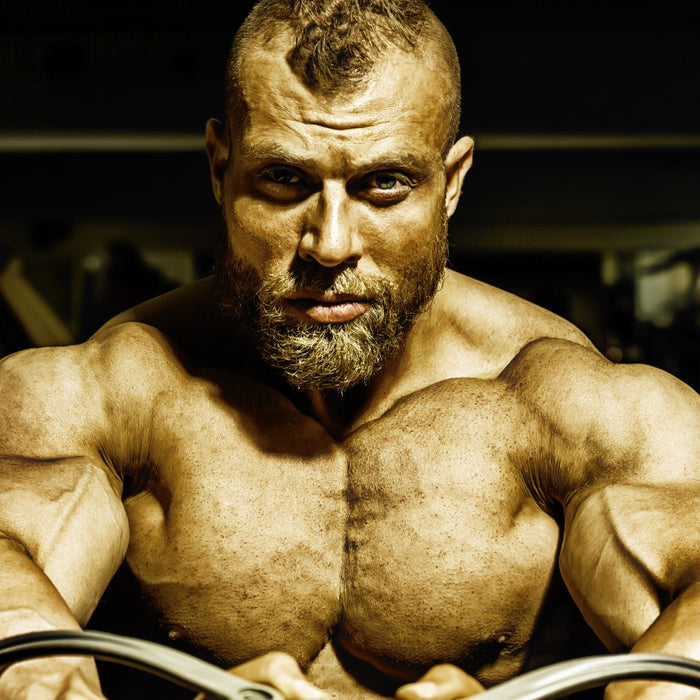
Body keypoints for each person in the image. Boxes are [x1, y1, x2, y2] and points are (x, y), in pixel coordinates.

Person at [1, 0, 700, 698]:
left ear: (452, 183)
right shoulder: (105, 393)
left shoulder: (572, 403)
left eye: (384, 183)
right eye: (284, 180)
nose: (330, 245)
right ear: (219, 167)